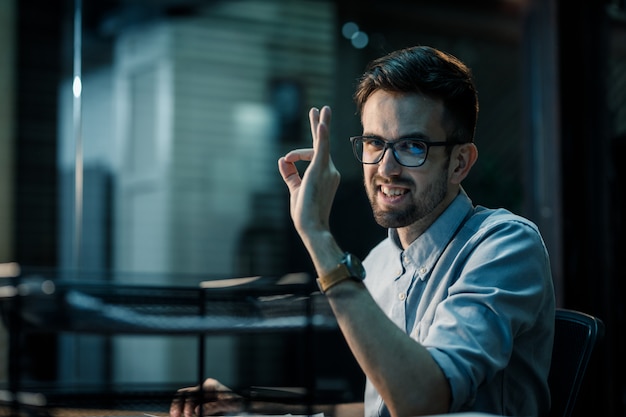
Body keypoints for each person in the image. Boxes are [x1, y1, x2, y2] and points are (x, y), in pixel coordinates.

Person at [170, 45, 555, 417]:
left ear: (459, 163)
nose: (386, 169)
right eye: (375, 143)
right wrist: (249, 405)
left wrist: (317, 235)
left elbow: (422, 400)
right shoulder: (380, 262)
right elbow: (383, 409)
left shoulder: (504, 244)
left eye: (413, 146)